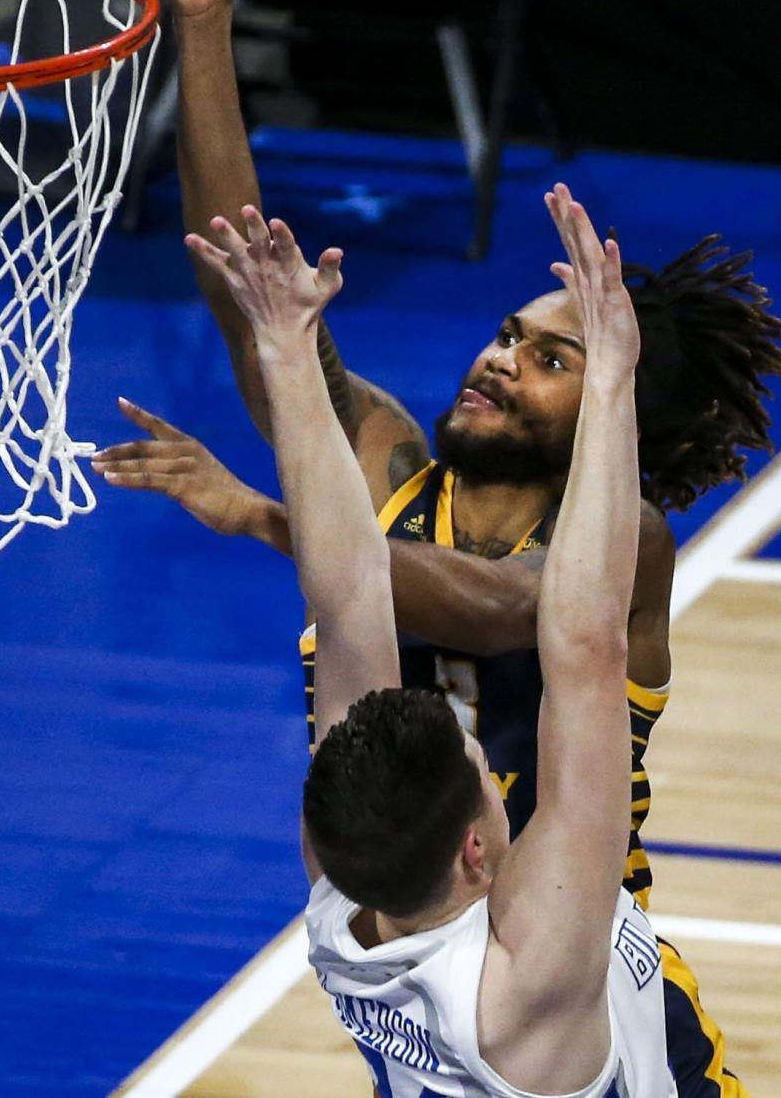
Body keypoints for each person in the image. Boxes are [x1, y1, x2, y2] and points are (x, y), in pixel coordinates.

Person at [95, 0, 781, 1094]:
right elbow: (246, 293)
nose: (498, 356)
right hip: (481, 978)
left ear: (610, 419)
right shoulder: (390, 474)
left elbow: (492, 604)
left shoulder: (623, 538)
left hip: (540, 981)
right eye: (510, 332)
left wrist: (266, 513)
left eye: (549, 356)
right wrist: (203, 25)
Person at [185, 182, 678, 1098]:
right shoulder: (529, 983)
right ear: (478, 851)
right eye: (479, 769)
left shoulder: (350, 906)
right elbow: (585, 653)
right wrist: (610, 376)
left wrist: (290, 354)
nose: (491, 770)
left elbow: (347, 596)